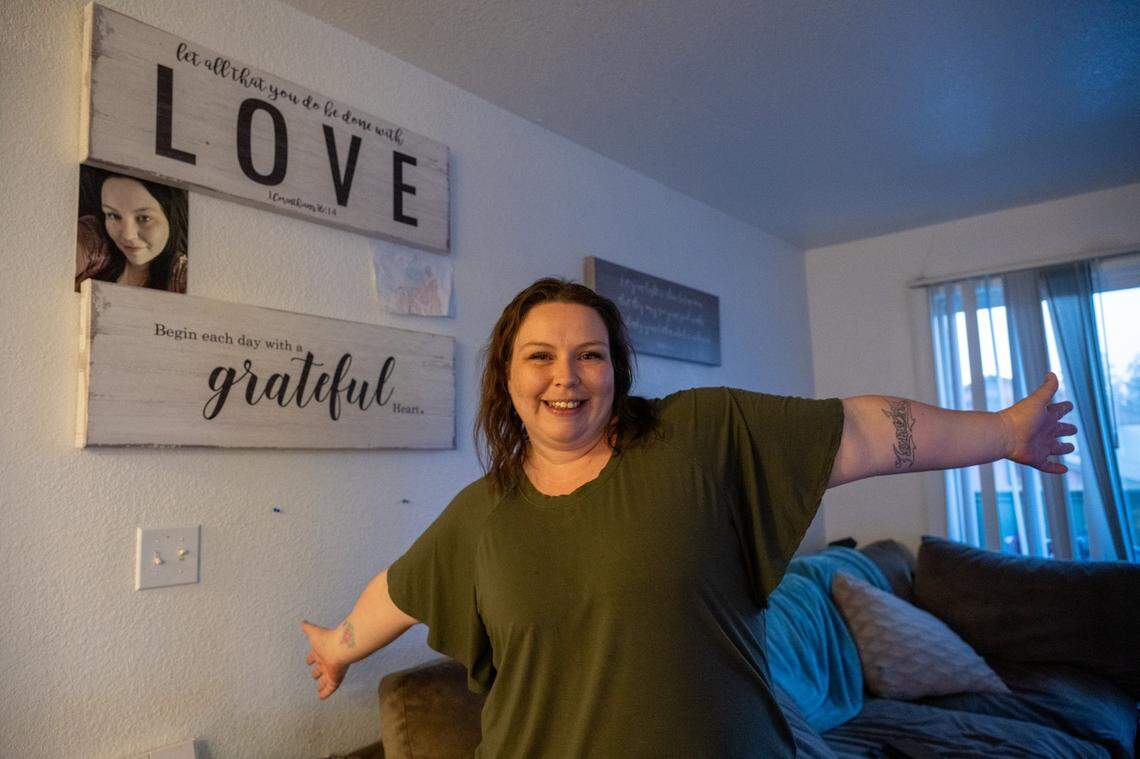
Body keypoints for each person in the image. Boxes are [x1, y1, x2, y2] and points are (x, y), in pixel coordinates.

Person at [300, 278, 1077, 757]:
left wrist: (1004, 433)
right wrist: (337, 647)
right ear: (506, 377)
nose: (565, 375)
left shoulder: (700, 437)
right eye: (539, 355)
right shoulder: (478, 517)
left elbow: (867, 429)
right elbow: (398, 592)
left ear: (617, 370)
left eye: (590, 354)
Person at [75, 168, 188, 293]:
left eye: (144, 218)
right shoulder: (95, 239)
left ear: (172, 218)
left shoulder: (183, 277)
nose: (127, 235)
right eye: (113, 215)